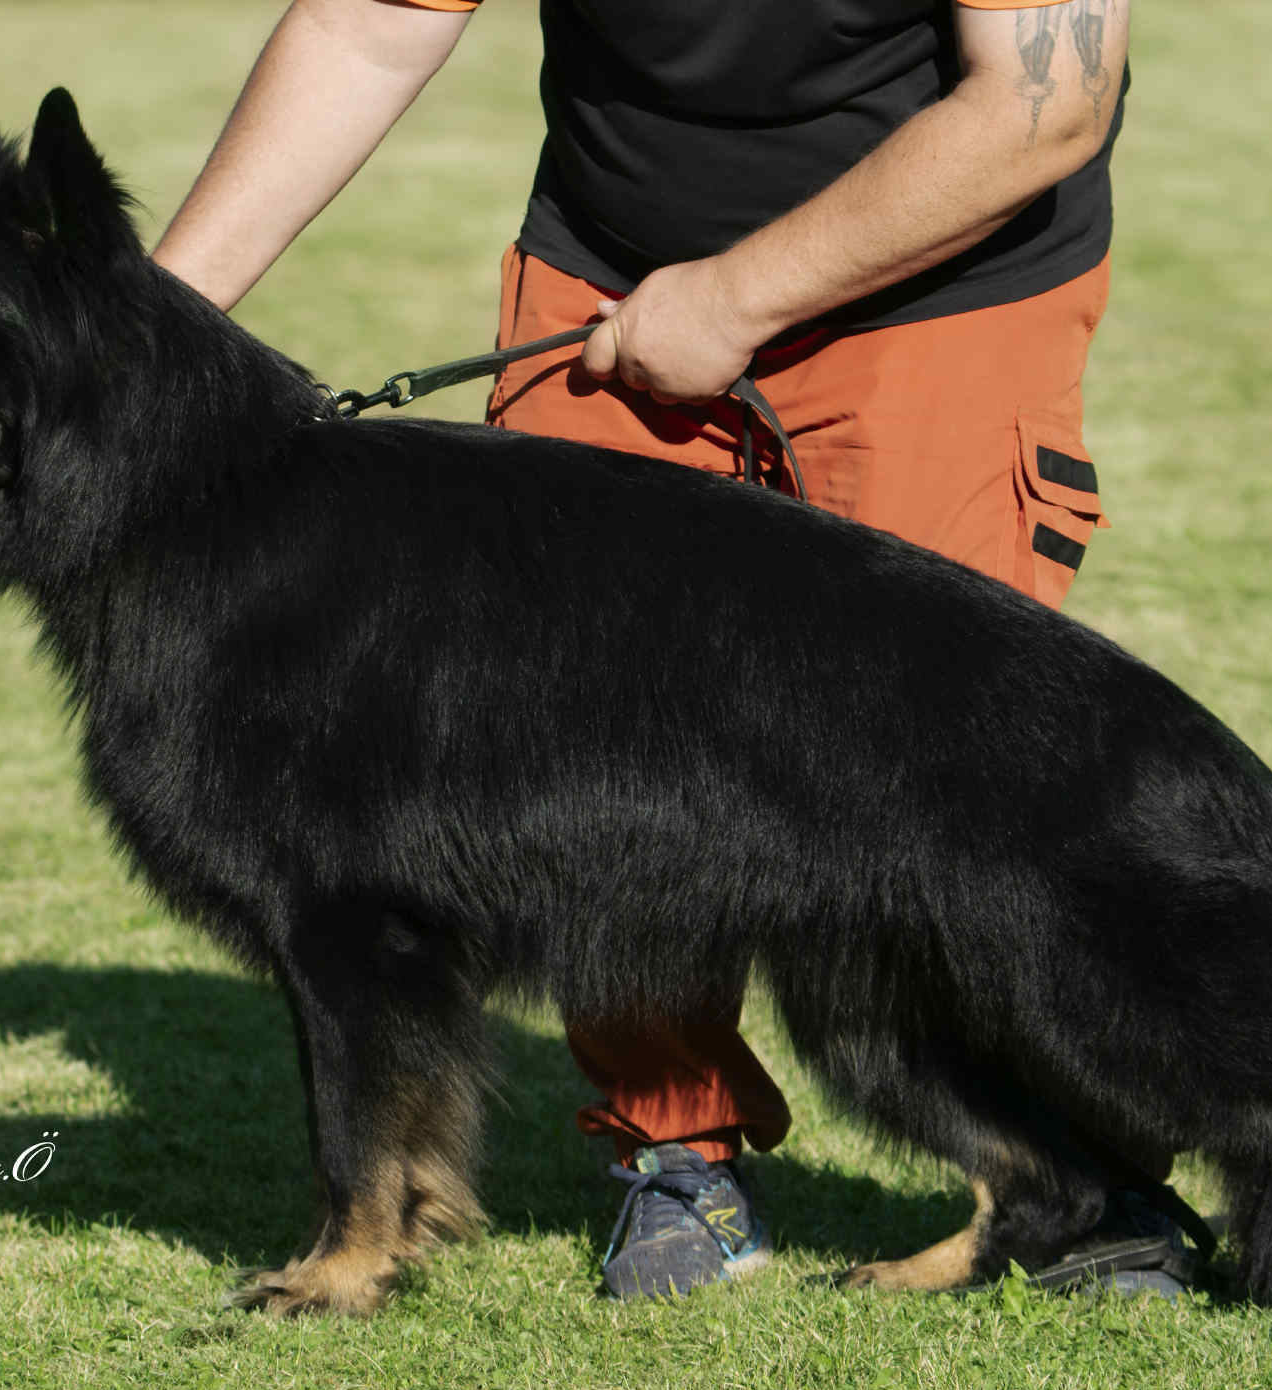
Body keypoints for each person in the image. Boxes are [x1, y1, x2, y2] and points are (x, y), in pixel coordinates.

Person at [155, 0, 1154, 1302]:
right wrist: (137, 339)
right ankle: (674, 1152)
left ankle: (1073, 1178)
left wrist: (740, 296)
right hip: (618, 265)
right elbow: (365, 25)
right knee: (576, 766)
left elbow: (1045, 98)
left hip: (947, 280)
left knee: (946, 778)